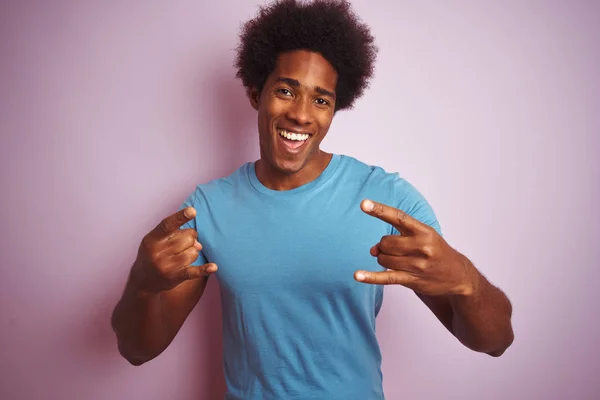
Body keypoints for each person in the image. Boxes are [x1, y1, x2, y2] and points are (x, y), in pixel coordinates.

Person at [111, 0, 514, 398]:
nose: (302, 115)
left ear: (334, 110)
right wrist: (142, 286)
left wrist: (466, 280)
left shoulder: (386, 199)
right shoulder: (209, 207)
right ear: (256, 94)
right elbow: (138, 351)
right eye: (286, 91)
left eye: (321, 100)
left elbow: (495, 341)